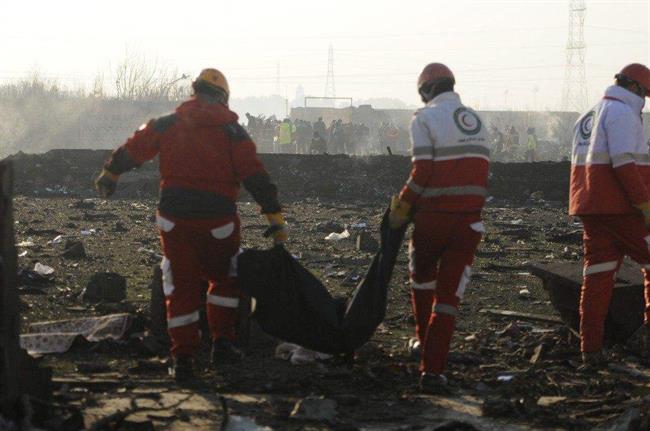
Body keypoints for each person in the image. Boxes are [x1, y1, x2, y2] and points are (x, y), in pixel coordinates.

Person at [94, 68, 287, 381]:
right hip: (218, 221)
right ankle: (222, 343)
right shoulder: (232, 131)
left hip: (174, 219)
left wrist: (111, 173)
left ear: (194, 92)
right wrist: (274, 217)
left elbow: (135, 147)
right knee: (224, 280)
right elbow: (255, 175)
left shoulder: (168, 123)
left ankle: (183, 357)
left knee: (179, 284)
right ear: (223, 98)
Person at [389, 63, 489, 393]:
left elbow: (421, 172)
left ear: (426, 91)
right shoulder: (475, 120)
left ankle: (422, 342)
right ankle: (433, 369)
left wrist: (402, 207)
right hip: (469, 223)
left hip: (433, 220)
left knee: (421, 283)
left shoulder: (424, 118)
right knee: (448, 301)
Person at [569, 63, 650, 366]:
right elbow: (623, 164)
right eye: (645, 95)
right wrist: (644, 206)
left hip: (592, 209)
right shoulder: (622, 113)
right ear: (635, 88)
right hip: (624, 210)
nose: (644, 103)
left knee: (598, 278)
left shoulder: (586, 116)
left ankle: (590, 350)